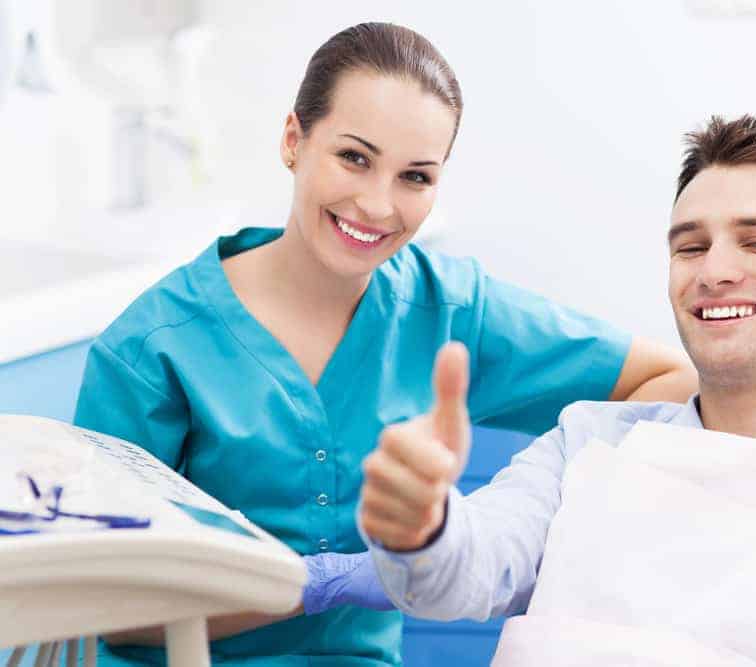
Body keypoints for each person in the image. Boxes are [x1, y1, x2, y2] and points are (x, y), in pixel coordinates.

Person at [72, 22, 697, 667]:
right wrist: (312, 586)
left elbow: (670, 383)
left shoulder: (450, 310)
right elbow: (103, 605)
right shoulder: (153, 348)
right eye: (354, 158)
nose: (377, 204)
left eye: (415, 177)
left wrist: (501, 524)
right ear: (294, 141)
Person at [359, 115, 756, 665]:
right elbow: (458, 577)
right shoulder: (586, 440)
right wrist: (422, 526)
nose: (715, 272)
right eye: (690, 247)